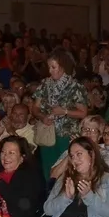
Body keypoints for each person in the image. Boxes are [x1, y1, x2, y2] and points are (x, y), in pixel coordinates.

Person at [32, 49, 89, 179]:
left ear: (63, 66)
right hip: (47, 132)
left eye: (53, 67)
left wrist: (65, 111)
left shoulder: (75, 86)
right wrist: (42, 116)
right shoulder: (45, 84)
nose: (50, 71)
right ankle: (48, 196)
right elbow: (34, 108)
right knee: (48, 170)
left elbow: (83, 113)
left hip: (66, 135)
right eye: (49, 67)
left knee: (65, 171)